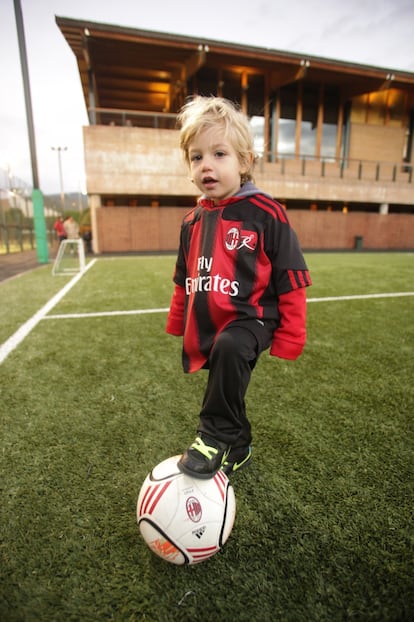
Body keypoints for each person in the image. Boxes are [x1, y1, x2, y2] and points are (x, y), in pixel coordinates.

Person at [166, 96, 312, 479]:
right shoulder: (191, 221)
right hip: (210, 323)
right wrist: (178, 322)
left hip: (253, 320)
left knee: (231, 350)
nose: (206, 165)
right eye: (197, 157)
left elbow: (292, 278)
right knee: (226, 378)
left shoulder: (267, 213)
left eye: (219, 153)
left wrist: (290, 337)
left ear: (245, 162)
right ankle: (241, 443)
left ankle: (212, 435)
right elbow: (184, 279)